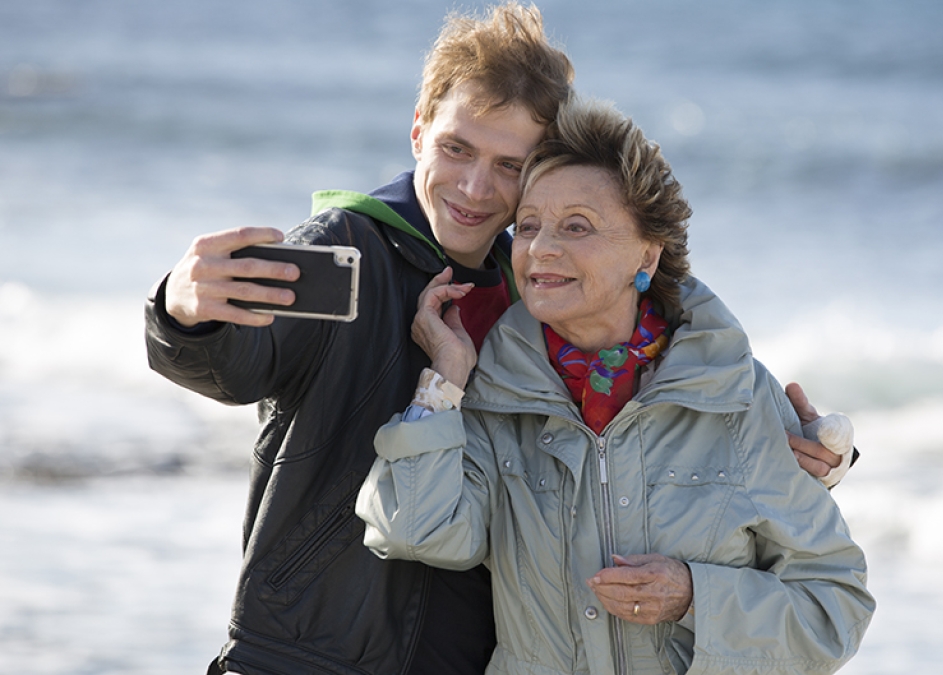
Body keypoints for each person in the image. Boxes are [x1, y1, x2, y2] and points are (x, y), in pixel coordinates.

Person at [145, 3, 851, 673]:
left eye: (510, 166)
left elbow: (664, 408)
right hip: (307, 651)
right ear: (419, 130)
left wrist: (812, 443)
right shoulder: (345, 250)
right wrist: (185, 311)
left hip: (461, 655)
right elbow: (236, 366)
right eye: (457, 147)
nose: (477, 186)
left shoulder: (535, 300)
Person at [356, 97, 874, 674]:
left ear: (647, 254)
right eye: (528, 226)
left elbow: (835, 606)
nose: (541, 247)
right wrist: (443, 382)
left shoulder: (736, 397)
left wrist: (695, 597)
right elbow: (414, 531)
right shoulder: (491, 394)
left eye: (577, 226)